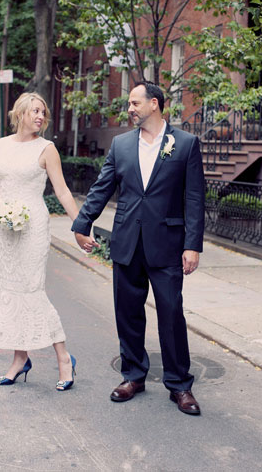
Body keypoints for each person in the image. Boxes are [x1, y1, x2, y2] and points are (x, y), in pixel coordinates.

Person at [72, 81, 205, 415]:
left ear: (154, 104)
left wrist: (193, 245)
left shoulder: (186, 144)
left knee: (171, 315)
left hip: (168, 246)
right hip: (127, 242)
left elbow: (194, 198)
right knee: (128, 313)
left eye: (134, 103)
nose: (129, 108)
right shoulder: (120, 145)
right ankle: (133, 376)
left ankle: (180, 385)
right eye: (129, 104)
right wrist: (81, 224)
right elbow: (102, 188)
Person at [0, 92, 79, 391]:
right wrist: (0, 206)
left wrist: (80, 224)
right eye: (35, 111)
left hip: (34, 227)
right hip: (6, 228)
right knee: (12, 290)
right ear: (20, 114)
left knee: (32, 291)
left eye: (43, 112)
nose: (40, 116)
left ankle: (64, 358)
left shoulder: (47, 149)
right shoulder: (1, 145)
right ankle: (19, 359)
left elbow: (62, 192)